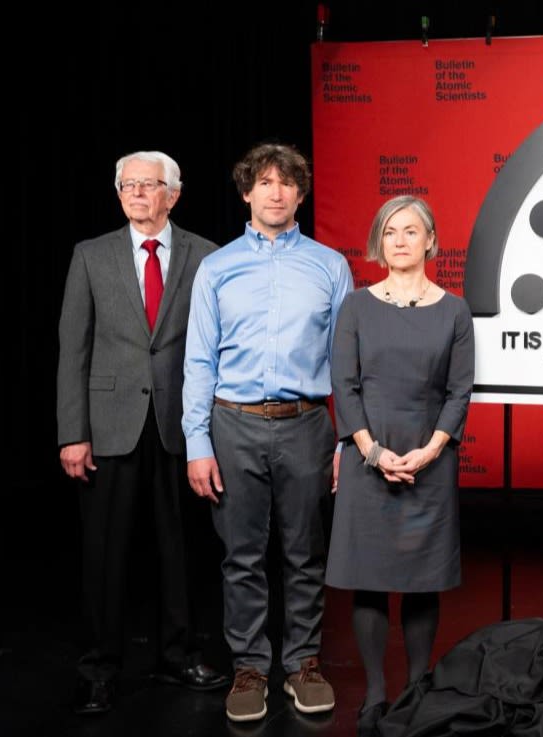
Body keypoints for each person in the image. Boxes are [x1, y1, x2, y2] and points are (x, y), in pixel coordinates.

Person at [182, 142, 353, 723]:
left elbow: (346, 362)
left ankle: (303, 663)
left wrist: (347, 439)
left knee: (307, 553)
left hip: (308, 424)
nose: (276, 192)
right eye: (265, 182)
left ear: (300, 194)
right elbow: (199, 362)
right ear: (247, 192)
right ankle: (251, 667)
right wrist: (198, 443)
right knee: (242, 555)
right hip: (234, 425)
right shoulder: (217, 268)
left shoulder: (330, 265)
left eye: (287, 183)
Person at [57, 151, 228, 714]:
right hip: (108, 427)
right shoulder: (91, 256)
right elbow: (73, 350)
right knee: (105, 553)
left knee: (181, 549)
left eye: (148, 185)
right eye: (127, 185)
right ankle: (99, 669)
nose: (135, 194)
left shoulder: (207, 256)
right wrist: (71, 433)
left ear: (172, 195)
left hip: (183, 426)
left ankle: (178, 655)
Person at [325, 195, 474, 735]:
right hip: (370, 453)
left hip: (430, 457)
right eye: (391, 232)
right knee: (369, 579)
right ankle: (376, 692)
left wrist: (431, 451)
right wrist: (370, 451)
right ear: (379, 242)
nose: (401, 240)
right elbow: (345, 385)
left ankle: (416, 687)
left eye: (412, 231)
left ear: (431, 240)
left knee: (420, 580)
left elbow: (459, 392)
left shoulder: (454, 309)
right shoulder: (357, 306)